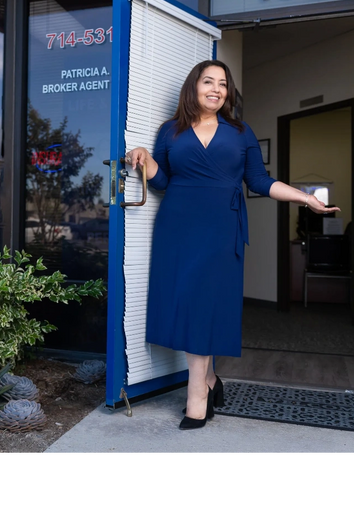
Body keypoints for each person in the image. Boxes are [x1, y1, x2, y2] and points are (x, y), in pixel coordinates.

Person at [125, 60, 340, 430]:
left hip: (221, 229)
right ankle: (208, 381)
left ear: (228, 92)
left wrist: (306, 199)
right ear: (194, 87)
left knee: (206, 303)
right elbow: (161, 183)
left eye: (222, 84)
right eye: (208, 81)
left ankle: (197, 394)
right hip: (177, 226)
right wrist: (143, 158)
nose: (216, 89)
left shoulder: (240, 132)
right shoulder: (170, 131)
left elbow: (259, 180)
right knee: (186, 301)